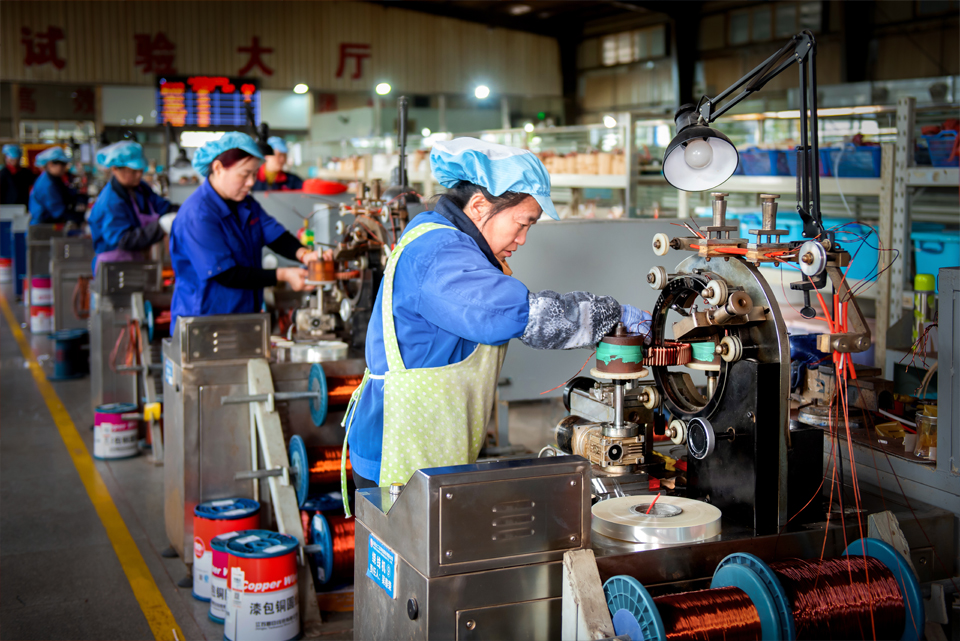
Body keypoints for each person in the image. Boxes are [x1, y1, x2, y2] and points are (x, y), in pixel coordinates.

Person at [340, 138, 651, 497]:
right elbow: (516, 314)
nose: (523, 239)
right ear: (478, 206)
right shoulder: (440, 253)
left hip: (420, 442)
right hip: (397, 452)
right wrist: (611, 316)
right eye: (522, 223)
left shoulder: (441, 236)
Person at [169, 132, 318, 331]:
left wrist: (305, 255)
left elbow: (274, 234)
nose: (251, 182)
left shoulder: (245, 203)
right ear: (218, 168)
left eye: (254, 174)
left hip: (244, 317)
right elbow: (226, 274)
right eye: (244, 174)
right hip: (204, 322)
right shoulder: (197, 214)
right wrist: (284, 274)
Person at [88, 141, 174, 273]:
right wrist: (160, 227)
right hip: (114, 266)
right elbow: (124, 240)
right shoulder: (110, 202)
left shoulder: (140, 188)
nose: (139, 175)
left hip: (137, 260)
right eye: (133, 171)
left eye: (140, 170)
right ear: (115, 169)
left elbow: (163, 207)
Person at [29, 147, 83, 225]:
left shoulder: (54, 179)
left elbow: (67, 195)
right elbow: (58, 211)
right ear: (50, 164)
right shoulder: (48, 185)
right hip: (42, 225)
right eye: (62, 164)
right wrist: (82, 218)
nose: (65, 168)